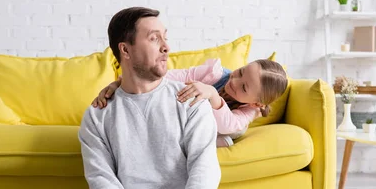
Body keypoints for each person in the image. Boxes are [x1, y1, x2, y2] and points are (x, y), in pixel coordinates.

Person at [38, 7, 275, 189]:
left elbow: (204, 170)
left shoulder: (190, 99)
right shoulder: (98, 115)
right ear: (125, 49)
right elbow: (102, 183)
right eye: (154, 39)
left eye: (165, 38)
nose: (167, 47)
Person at [92, 58, 288, 147]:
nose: (234, 81)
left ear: (256, 103)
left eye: (244, 87)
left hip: (216, 128)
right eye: (241, 72)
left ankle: (208, 141)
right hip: (186, 117)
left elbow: (228, 124)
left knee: (237, 130)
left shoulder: (248, 111)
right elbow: (175, 76)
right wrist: (122, 82)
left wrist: (212, 95)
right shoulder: (215, 74)